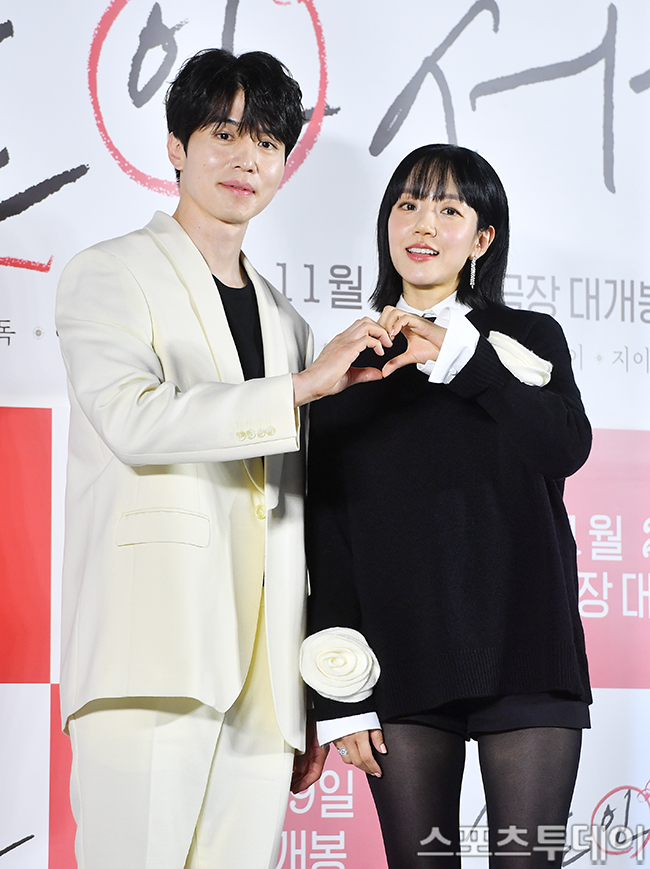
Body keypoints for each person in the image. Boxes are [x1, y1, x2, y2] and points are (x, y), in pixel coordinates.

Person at [55, 48, 390, 869]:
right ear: (177, 146)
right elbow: (133, 420)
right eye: (225, 133)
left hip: (265, 688)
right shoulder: (110, 272)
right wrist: (300, 389)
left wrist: (307, 693)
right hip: (151, 658)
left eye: (268, 142)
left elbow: (293, 507)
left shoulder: (287, 321)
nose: (247, 158)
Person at [302, 144, 592, 869]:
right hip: (401, 662)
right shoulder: (348, 363)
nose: (423, 224)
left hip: (528, 650)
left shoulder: (527, 339)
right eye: (407, 205)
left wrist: (465, 361)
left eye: (449, 209)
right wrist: (340, 697)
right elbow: (329, 539)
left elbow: (564, 448)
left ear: (482, 238)